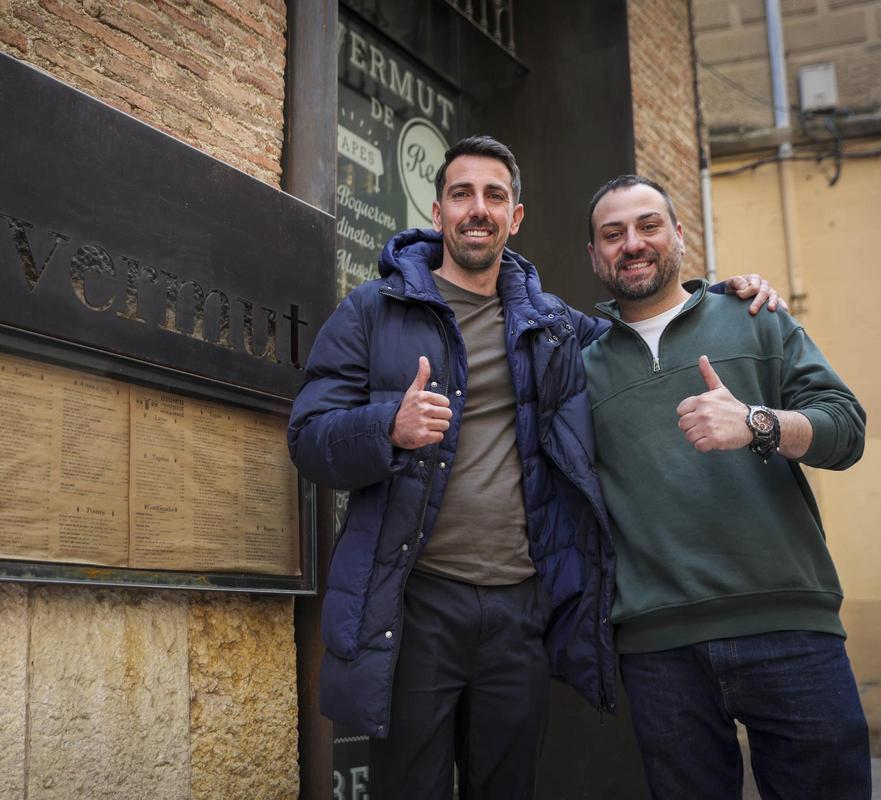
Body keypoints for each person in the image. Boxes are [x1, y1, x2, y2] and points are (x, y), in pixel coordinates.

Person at [288, 137, 781, 798]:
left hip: (519, 612)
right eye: (462, 194)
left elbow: (646, 332)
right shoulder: (372, 312)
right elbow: (309, 435)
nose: (478, 209)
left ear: (515, 218)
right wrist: (388, 426)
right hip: (416, 605)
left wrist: (719, 295)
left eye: (495, 196)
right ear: (437, 212)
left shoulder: (552, 326)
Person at [582, 174, 870, 799]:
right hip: (659, 650)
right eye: (613, 234)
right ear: (594, 255)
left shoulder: (754, 319)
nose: (632, 243)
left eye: (648, 226)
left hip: (789, 628)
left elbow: (847, 429)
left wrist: (758, 423)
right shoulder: (583, 367)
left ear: (679, 237)